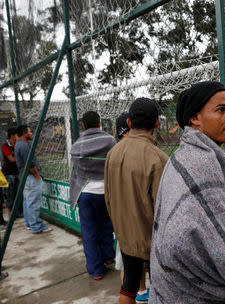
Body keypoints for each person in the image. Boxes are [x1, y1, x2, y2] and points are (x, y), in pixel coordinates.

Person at [149, 81, 225, 303]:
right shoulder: (201, 163)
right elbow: (182, 241)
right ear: (195, 118)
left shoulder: (183, 155)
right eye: (221, 110)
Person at [105, 98, 168, 304]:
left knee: (129, 286)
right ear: (157, 123)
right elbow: (164, 209)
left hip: (125, 234)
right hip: (152, 240)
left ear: (130, 123)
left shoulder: (112, 153)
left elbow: (108, 197)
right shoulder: (158, 158)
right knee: (162, 290)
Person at [69, 111, 116, 280]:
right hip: (105, 191)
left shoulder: (76, 146)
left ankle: (96, 270)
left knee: (89, 231)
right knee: (106, 225)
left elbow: (75, 172)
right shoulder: (110, 141)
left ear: (83, 125)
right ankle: (108, 257)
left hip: (85, 193)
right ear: (99, 123)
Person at [113, 111, 149, 303]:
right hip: (132, 223)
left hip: (124, 221)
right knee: (129, 271)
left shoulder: (116, 153)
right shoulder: (128, 152)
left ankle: (141, 291)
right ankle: (139, 292)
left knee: (131, 270)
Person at [15, 125, 51, 234]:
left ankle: (29, 224)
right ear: (25, 133)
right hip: (31, 177)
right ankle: (36, 226)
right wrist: (37, 175)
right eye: (30, 131)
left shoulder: (19, 144)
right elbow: (29, 164)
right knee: (33, 202)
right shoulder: (24, 146)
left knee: (27, 201)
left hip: (25, 177)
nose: (31, 133)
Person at [1, 128, 21, 218]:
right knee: (10, 194)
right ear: (12, 136)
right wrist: (22, 159)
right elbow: (11, 159)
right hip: (9, 174)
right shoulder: (5, 146)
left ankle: (17, 212)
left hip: (17, 172)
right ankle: (11, 213)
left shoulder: (17, 145)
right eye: (16, 135)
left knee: (17, 192)